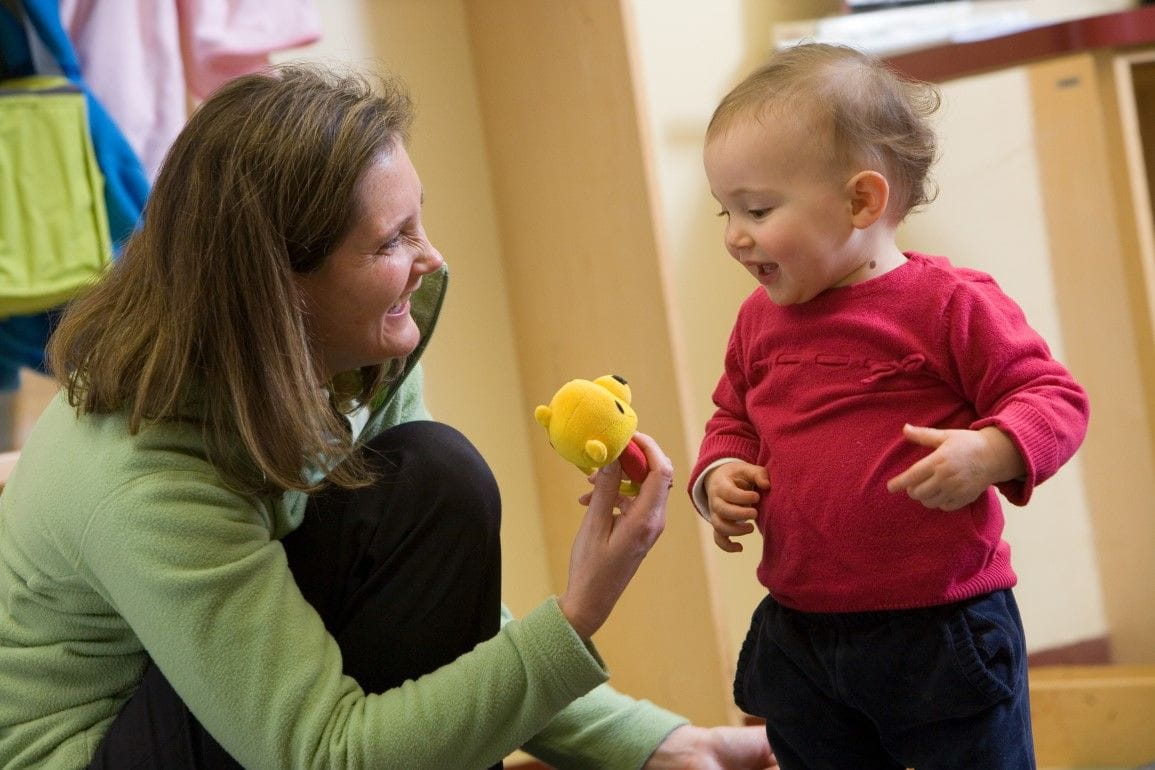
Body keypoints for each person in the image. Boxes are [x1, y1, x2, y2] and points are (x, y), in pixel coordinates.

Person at [0, 63, 776, 769]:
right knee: (443, 480)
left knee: (432, 482)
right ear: (280, 288)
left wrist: (651, 744)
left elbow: (426, 600)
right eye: (391, 240)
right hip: (94, 750)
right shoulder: (148, 473)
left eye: (419, 220)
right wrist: (578, 612)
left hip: (210, 705)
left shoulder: (354, 347)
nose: (430, 258)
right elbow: (322, 754)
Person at [689, 43, 1090, 769]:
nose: (735, 235)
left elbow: (1053, 398)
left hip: (939, 630)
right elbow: (733, 419)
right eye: (725, 211)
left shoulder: (947, 304)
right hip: (801, 630)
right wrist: (717, 474)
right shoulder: (758, 321)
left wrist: (991, 450)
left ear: (860, 200)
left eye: (756, 209)